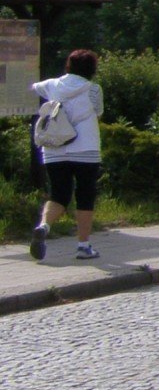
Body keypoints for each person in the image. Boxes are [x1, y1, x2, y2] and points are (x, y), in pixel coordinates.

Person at [30, 48, 105, 263]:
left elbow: (33, 87)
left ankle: (44, 226)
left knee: (59, 195)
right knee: (85, 196)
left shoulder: (52, 85)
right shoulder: (93, 89)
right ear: (92, 69)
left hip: (54, 149)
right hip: (86, 149)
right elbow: (98, 112)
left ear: (68, 66)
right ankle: (83, 246)